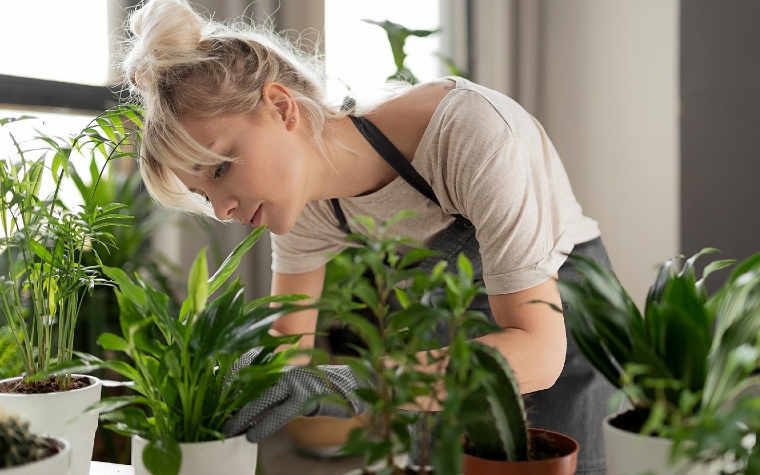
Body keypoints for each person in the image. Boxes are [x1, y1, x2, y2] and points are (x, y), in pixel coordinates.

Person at [121, 1, 617, 473]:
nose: (224, 209)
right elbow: (288, 350)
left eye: (222, 167)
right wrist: (227, 377)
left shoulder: (470, 134)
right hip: (448, 333)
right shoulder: (304, 207)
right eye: (204, 194)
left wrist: (362, 381)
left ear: (280, 107)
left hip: (555, 322)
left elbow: (538, 351)